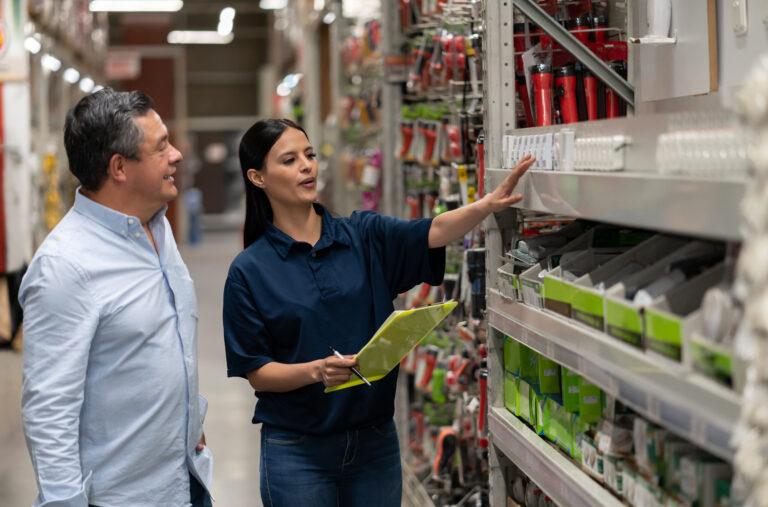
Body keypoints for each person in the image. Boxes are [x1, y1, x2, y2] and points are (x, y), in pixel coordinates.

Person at [222, 118, 533, 507]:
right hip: (298, 451)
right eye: (289, 160)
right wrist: (316, 371)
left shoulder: (362, 235)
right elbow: (258, 372)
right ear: (258, 177)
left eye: (310, 154)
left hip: (374, 444)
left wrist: (485, 206)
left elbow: (431, 231)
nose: (307, 166)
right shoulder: (250, 271)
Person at [19, 89, 213, 507]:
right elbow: (49, 408)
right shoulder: (65, 266)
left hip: (185, 480)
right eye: (161, 146)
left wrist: (188, 417)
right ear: (119, 167)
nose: (177, 155)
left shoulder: (156, 228)